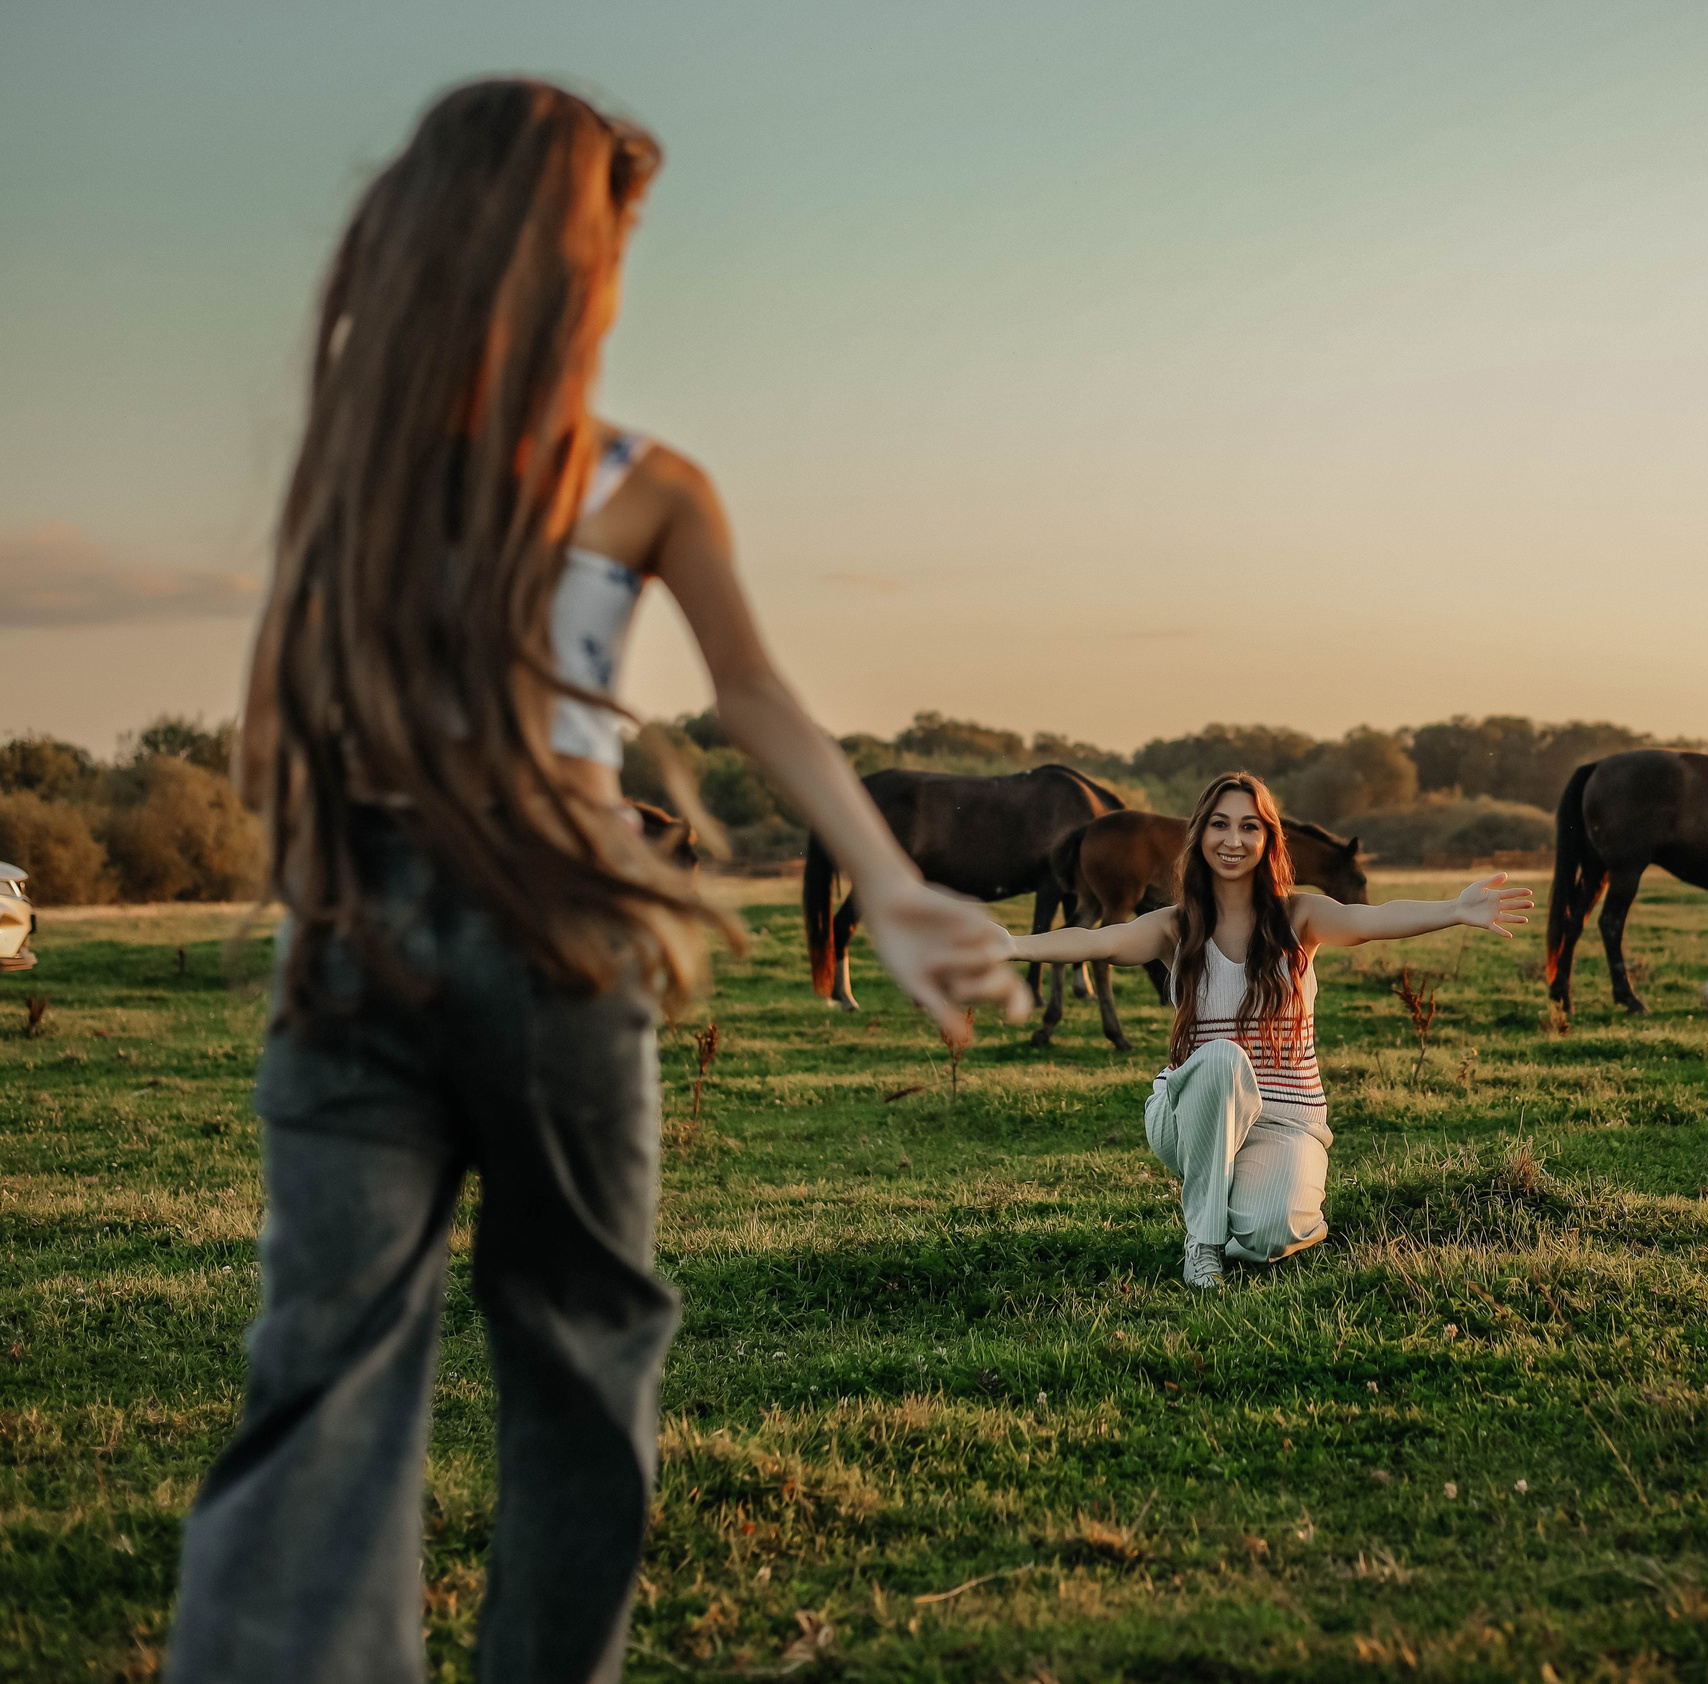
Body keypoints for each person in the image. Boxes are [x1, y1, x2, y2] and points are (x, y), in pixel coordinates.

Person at [170, 80, 1025, 1684]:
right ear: (569, 259)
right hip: (557, 928)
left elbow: (288, 712)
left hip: (360, 927)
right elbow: (756, 700)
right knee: (579, 1350)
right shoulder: (638, 476)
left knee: (323, 1376)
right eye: (614, 243)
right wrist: (887, 882)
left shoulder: (355, 456)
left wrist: (892, 884)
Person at [1010, 772, 1532, 1287]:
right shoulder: (1176, 925)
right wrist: (1012, 947)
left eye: (1248, 827)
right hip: (1190, 1115)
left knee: (1271, 1233)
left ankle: (1244, 1205)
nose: (1233, 840)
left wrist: (1456, 910)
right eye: (1219, 825)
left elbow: (1375, 919)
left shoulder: (1301, 917)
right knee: (1221, 1058)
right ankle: (1204, 1243)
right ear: (1199, 836)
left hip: (1285, 1120)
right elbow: (1095, 942)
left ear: (1268, 839)